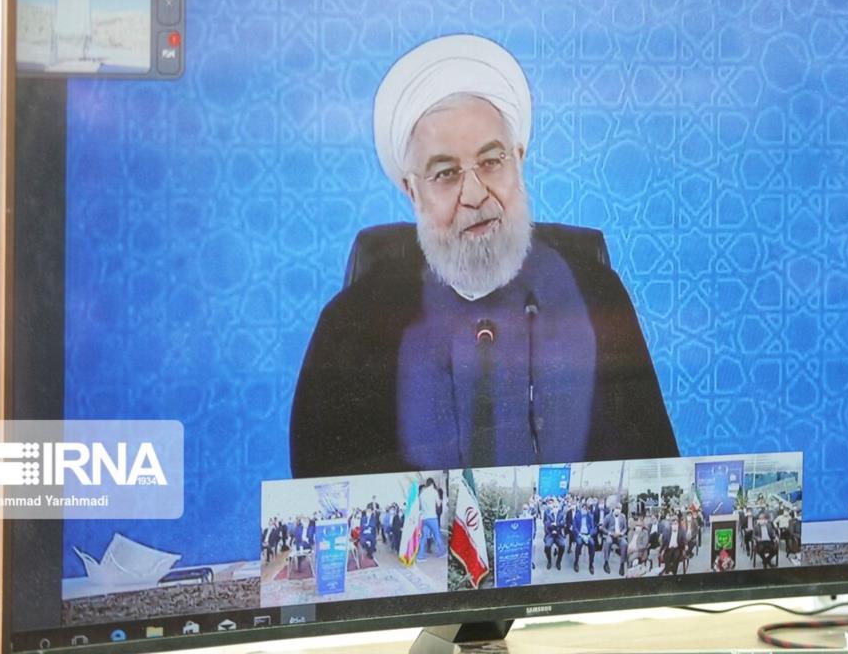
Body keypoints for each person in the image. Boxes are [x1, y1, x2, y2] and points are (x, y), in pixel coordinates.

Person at [290, 34, 678, 477]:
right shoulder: (350, 324)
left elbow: (655, 477)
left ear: (519, 160)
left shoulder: (595, 294)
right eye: (445, 173)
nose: (474, 194)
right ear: (412, 191)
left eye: (492, 162)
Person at [418, 478, 444, 559]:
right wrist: (441, 500)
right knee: (437, 535)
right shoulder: (434, 491)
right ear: (432, 484)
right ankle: (441, 552)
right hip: (432, 517)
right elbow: (438, 504)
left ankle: (420, 555)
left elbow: (420, 507)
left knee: (424, 537)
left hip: (424, 518)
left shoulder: (422, 494)